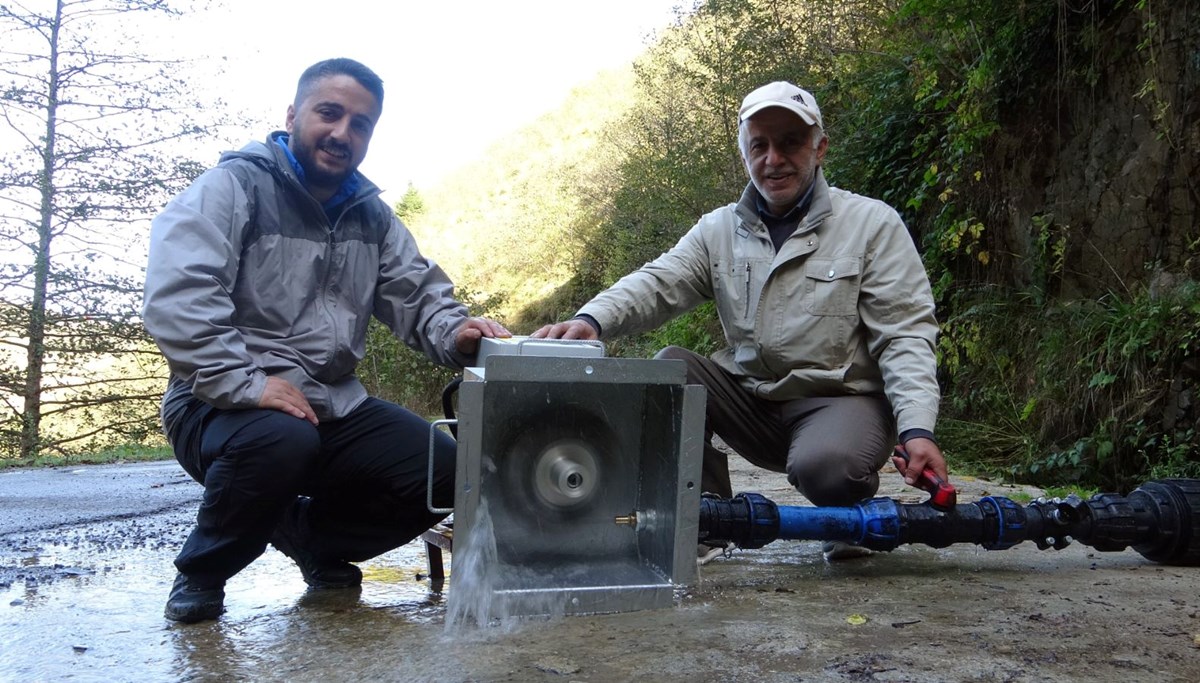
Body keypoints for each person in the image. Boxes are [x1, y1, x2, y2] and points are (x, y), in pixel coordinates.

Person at [143, 58, 509, 623]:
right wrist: (245, 383)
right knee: (280, 439)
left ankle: (310, 537)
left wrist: (457, 333)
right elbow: (179, 294)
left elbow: (418, 296)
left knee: (447, 472)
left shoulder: (374, 218)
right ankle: (203, 572)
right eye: (329, 113)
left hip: (331, 403)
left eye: (360, 124)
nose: (343, 133)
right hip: (214, 398)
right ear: (294, 114)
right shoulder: (233, 186)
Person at [534, 81, 948, 562]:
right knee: (671, 367)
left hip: (839, 403)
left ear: (820, 149)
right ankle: (707, 520)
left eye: (791, 142)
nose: (774, 158)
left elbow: (905, 334)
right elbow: (656, 282)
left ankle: (848, 514)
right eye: (760, 145)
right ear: (745, 154)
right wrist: (592, 320)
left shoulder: (873, 224)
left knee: (827, 467)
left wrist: (917, 430)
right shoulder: (717, 230)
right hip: (752, 400)